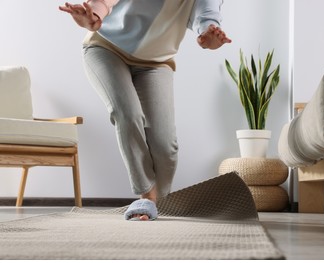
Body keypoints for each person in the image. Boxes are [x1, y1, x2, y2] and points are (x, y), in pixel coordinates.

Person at [59, 0, 231, 221]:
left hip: (155, 64)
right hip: (107, 48)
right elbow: (105, 2)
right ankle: (146, 197)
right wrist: (94, 16)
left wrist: (210, 37)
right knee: (127, 113)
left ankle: (159, 199)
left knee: (165, 146)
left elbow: (207, 19)